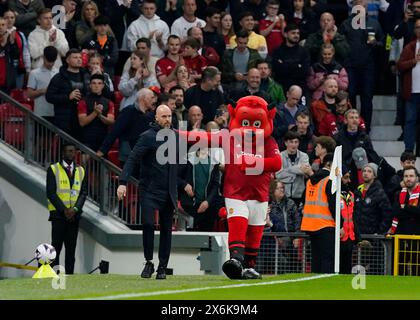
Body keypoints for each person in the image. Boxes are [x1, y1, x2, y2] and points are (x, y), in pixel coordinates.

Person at [116, 105, 181, 280]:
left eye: (169, 116)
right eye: (164, 116)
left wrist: (183, 185)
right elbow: (132, 159)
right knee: (148, 224)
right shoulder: (147, 137)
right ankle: (149, 261)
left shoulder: (175, 136)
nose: (168, 120)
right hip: (149, 190)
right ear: (156, 118)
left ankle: (162, 266)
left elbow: (178, 165)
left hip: (168, 192)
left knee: (167, 229)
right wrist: (123, 182)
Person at [338, 0, 385, 133]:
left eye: (363, 6)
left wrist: (376, 43)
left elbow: (384, 43)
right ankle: (349, 127)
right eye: (357, 6)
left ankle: (365, 130)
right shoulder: (346, 24)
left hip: (367, 67)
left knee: (367, 97)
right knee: (350, 96)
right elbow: (339, 44)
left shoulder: (374, 23)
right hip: (350, 66)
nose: (360, 8)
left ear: (367, 8)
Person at [46, 142, 88, 274]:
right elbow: (51, 193)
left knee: (71, 250)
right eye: (68, 151)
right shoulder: (53, 169)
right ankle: (55, 276)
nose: (71, 154)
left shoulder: (81, 170)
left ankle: (70, 276)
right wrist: (65, 210)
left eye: (73, 151)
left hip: (74, 216)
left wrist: (74, 210)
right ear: (63, 153)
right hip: (58, 215)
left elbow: (83, 193)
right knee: (56, 248)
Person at [97, 88, 156, 166]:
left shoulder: (150, 115)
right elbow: (115, 131)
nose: (154, 100)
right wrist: (102, 150)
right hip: (128, 155)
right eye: (151, 97)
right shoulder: (129, 111)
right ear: (143, 98)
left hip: (143, 155)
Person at [301, 153, 336, 273]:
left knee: (316, 258)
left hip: (311, 224)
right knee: (328, 258)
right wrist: (340, 224)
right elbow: (333, 205)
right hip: (326, 224)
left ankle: (315, 283)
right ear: (329, 164)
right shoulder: (329, 180)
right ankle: (326, 286)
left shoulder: (311, 180)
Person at [46, 49, 89, 140]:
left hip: (82, 119)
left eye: (80, 57)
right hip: (64, 121)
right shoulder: (58, 77)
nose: (79, 59)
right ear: (67, 60)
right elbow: (49, 97)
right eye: (75, 57)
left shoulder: (86, 76)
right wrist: (68, 97)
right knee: (65, 148)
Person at [396, 18, 420, 154]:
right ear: (415, 30)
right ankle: (409, 150)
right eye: (417, 27)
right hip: (412, 92)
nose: (419, 29)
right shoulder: (410, 46)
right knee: (410, 121)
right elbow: (400, 65)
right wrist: (413, 61)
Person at [77, 73, 115, 152]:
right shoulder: (83, 101)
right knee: (84, 163)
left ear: (103, 86)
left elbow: (111, 121)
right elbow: (82, 122)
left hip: (103, 139)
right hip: (87, 138)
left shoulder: (109, 103)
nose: (96, 86)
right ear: (90, 85)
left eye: (99, 83)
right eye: (94, 83)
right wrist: (95, 112)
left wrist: (100, 115)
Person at [353, 163, 393, 238]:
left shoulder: (379, 192)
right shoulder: (357, 191)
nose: (366, 173)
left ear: (374, 175)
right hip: (357, 235)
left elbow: (387, 215)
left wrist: (379, 232)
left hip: (373, 236)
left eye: (369, 171)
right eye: (364, 171)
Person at [275, 130, 312, 208]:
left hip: (299, 196)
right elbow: (278, 175)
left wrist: (287, 171)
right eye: (291, 142)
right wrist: (297, 170)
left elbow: (304, 170)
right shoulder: (279, 156)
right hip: (284, 195)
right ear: (286, 143)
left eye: (296, 142)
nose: (294, 145)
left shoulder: (304, 156)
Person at [272, 23, 311, 95]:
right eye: (293, 33)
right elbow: (277, 70)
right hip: (281, 89)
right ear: (286, 34)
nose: (296, 35)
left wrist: (284, 65)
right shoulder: (277, 51)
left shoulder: (304, 52)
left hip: (300, 89)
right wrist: (296, 66)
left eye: (298, 33)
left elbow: (305, 71)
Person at [27, 46, 58, 124]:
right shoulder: (34, 73)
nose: (51, 64)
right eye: (48, 61)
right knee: (40, 135)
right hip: (41, 112)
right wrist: (43, 90)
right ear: (44, 58)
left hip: (56, 112)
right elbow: (29, 94)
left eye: (53, 61)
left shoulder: (58, 73)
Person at [81, 15, 118, 79]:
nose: (103, 28)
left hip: (108, 74)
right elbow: (84, 59)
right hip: (89, 75)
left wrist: (95, 53)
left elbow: (114, 59)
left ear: (108, 27)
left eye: (105, 25)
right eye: (100, 25)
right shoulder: (88, 40)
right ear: (95, 27)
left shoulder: (112, 40)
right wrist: (105, 57)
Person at [339, 165, 355, 274]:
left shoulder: (351, 195)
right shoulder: (334, 194)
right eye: (346, 177)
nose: (348, 181)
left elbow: (353, 216)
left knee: (347, 269)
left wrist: (357, 236)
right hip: (339, 236)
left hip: (349, 237)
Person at [0, 17, 19, 93]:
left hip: (6, 78)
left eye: (3, 25)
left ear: (6, 26)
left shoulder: (10, 38)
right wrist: (2, 45)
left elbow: (16, 56)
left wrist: (12, 43)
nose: (0, 27)